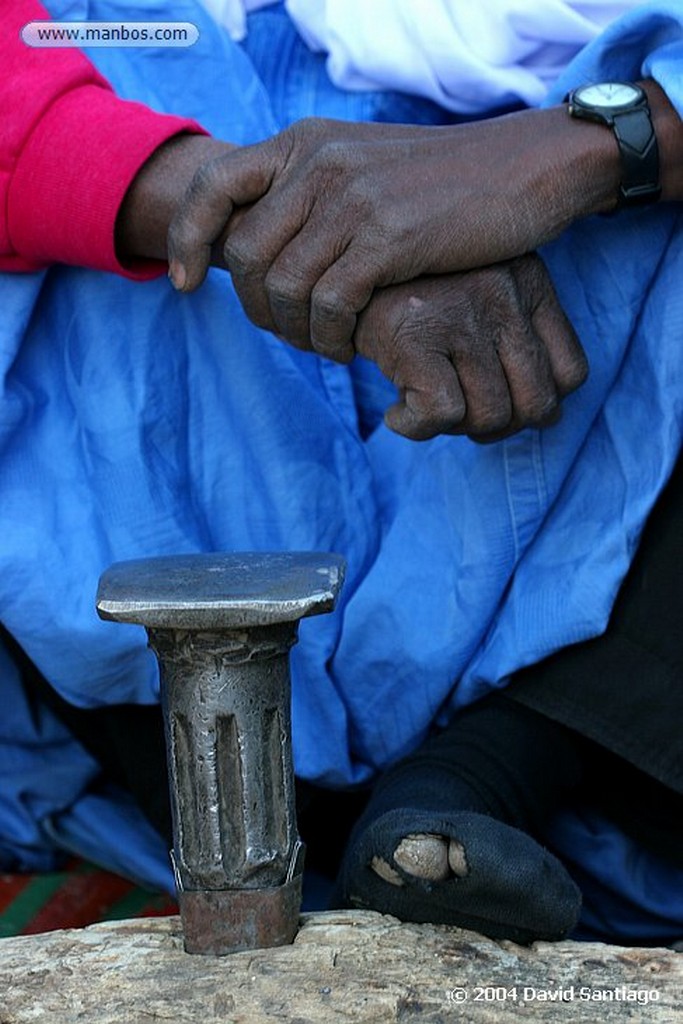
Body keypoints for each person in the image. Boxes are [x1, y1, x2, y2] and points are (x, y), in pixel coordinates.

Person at [1, 0, 681, 944]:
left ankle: (473, 786)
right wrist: (261, 211)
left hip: (608, 684)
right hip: (129, 607)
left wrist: (585, 150)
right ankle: (302, 820)